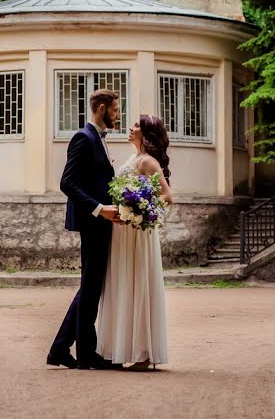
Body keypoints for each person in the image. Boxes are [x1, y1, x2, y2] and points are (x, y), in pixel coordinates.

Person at [47, 89, 123, 370]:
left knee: (90, 288)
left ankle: (62, 350)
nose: (118, 114)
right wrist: (99, 208)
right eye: (115, 109)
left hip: (102, 221)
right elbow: (67, 183)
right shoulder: (84, 137)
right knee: (90, 287)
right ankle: (85, 355)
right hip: (92, 222)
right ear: (101, 108)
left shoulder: (100, 140)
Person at [96, 114, 173, 371]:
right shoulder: (133, 158)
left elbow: (166, 195)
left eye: (138, 126)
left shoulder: (148, 161)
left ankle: (143, 353)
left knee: (138, 284)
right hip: (122, 231)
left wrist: (141, 210)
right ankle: (123, 348)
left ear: (148, 133)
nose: (132, 128)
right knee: (122, 284)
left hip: (137, 233)